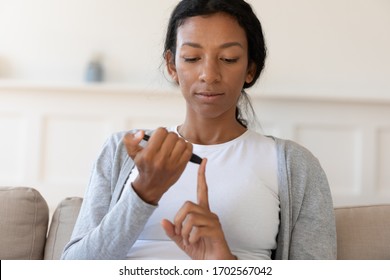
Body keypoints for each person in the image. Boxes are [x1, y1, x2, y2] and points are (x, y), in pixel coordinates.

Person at [61, 0, 336, 260]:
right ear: (172, 66)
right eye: (192, 58)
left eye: (228, 59)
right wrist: (144, 192)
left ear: (250, 68)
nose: (209, 74)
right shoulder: (124, 150)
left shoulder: (296, 166)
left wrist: (225, 265)